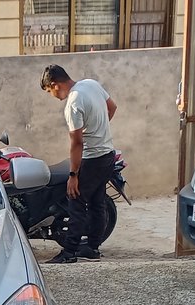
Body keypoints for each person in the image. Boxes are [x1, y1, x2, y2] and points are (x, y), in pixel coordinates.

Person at [40, 64, 118, 263]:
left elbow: (77, 142)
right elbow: (112, 107)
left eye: (49, 91)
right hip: (108, 154)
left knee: (75, 202)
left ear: (55, 85)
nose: (52, 95)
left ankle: (69, 253)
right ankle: (92, 248)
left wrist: (73, 176)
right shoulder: (90, 84)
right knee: (97, 203)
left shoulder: (73, 103)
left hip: (91, 160)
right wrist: (98, 132)